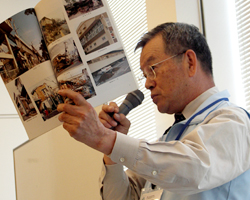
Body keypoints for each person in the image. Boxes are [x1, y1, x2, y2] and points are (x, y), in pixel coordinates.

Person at [57, 22, 250, 199]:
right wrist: (111, 150)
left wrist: (106, 139)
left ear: (190, 62)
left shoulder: (234, 122)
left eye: (153, 69)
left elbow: (195, 169)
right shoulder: (167, 142)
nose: (148, 84)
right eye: (144, 75)